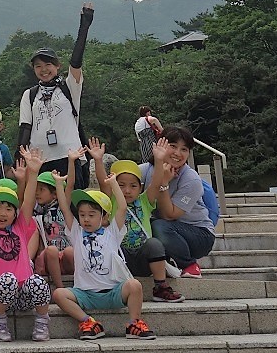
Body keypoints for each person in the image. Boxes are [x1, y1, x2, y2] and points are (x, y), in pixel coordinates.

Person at [50, 171, 157, 340]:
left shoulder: (112, 232)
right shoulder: (76, 233)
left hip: (113, 292)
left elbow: (122, 207)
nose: (86, 219)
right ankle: (89, 322)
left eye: (91, 215)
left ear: (104, 216)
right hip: (85, 294)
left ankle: (134, 323)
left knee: (134, 285)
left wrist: (114, 183)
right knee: (59, 294)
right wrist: (58, 183)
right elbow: (64, 208)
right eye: (82, 215)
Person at [0, 147, 52, 342]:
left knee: (38, 282)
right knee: (7, 279)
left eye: (8, 208)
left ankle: (42, 321)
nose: (3, 213)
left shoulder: (20, 226)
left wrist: (33, 173)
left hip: (23, 295)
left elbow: (27, 201)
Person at [91, 145, 184, 302]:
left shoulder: (144, 201)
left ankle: (160, 287)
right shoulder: (111, 201)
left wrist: (159, 160)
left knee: (154, 244)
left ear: (140, 187)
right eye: (121, 185)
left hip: (143, 257)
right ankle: (114, 288)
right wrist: (98, 159)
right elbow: (103, 182)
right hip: (120, 257)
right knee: (108, 246)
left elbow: (155, 183)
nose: (127, 190)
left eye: (133, 186)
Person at [17, 3, 94, 187]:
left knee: (73, 206)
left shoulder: (69, 87)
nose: (43, 70)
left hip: (69, 156)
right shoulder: (29, 95)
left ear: (57, 65)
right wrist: (19, 160)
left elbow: (76, 62)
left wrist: (84, 26)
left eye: (48, 65)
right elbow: (24, 129)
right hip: (39, 161)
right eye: (38, 66)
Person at [139, 128, 216, 279]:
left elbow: (169, 215)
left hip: (198, 234)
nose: (177, 153)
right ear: (160, 145)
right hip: (168, 231)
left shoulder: (191, 179)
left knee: (159, 225)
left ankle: (189, 265)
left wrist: (163, 183)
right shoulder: (146, 170)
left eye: (184, 149)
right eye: (173, 146)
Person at [32, 148, 82, 290]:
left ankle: (79, 284)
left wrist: (71, 162)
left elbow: (70, 185)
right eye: (36, 189)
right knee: (52, 250)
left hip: (66, 257)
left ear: (54, 194)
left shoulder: (63, 209)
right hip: (50, 257)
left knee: (70, 251)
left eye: (41, 189)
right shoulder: (38, 212)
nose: (37, 193)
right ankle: (59, 288)